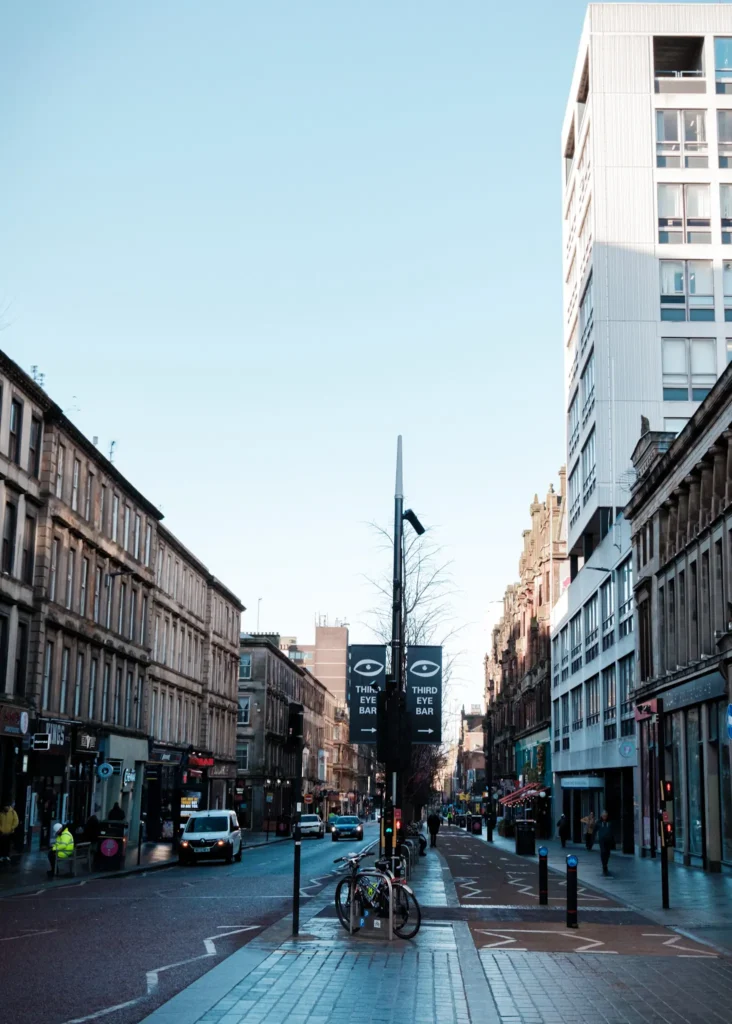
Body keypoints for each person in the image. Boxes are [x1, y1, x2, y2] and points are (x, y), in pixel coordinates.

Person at [596, 810, 614, 876]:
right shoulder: (598, 822)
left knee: (607, 853)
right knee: (603, 852)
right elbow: (594, 830)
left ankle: (606, 863)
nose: (605, 817)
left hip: (608, 841)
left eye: (606, 816)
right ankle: (604, 865)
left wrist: (612, 841)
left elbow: (612, 832)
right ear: (601, 816)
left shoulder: (609, 822)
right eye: (603, 816)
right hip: (602, 841)